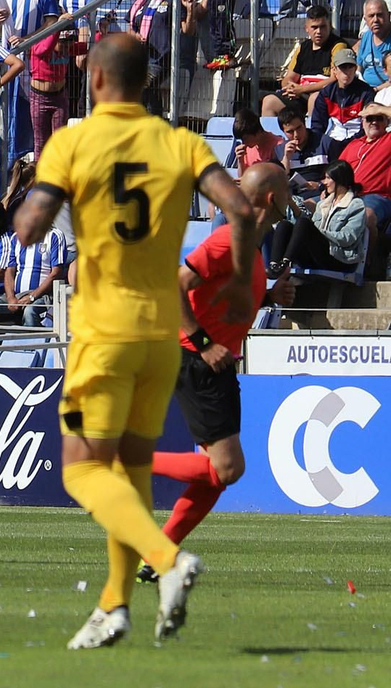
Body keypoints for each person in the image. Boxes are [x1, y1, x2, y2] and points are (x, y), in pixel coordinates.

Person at [13, 32, 256, 649]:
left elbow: (33, 227)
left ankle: (166, 559)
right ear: (146, 81)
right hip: (160, 339)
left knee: (80, 471)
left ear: (94, 81)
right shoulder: (180, 142)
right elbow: (242, 209)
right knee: (133, 471)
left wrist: (36, 199)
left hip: (104, 331)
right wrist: (233, 291)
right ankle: (114, 605)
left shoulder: (73, 141)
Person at [147, 164, 292, 569]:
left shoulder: (248, 244)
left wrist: (271, 294)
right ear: (270, 199)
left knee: (217, 475)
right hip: (199, 359)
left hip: (213, 361)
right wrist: (204, 343)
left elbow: (222, 298)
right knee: (227, 468)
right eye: (286, 191)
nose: (291, 199)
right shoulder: (228, 240)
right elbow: (175, 284)